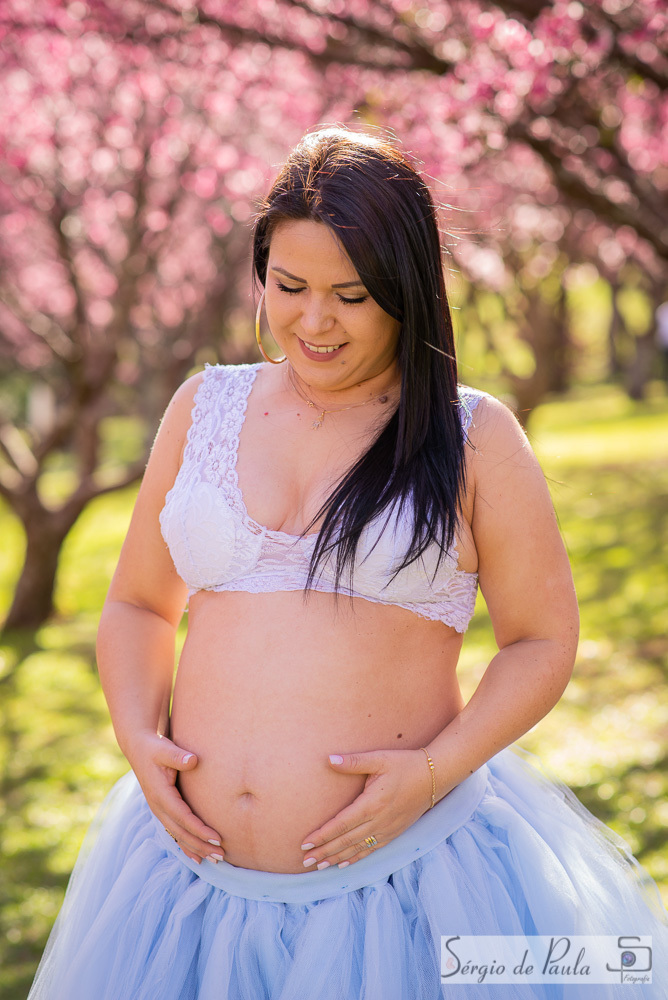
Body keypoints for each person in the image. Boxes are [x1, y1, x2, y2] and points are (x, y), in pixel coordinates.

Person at [29, 126, 667, 1000]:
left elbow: (541, 639)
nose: (314, 321)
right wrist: (138, 738)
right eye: (288, 287)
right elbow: (140, 602)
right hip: (185, 893)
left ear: (407, 291)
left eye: (352, 295)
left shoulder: (473, 434)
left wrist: (433, 772)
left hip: (412, 885)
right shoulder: (203, 407)